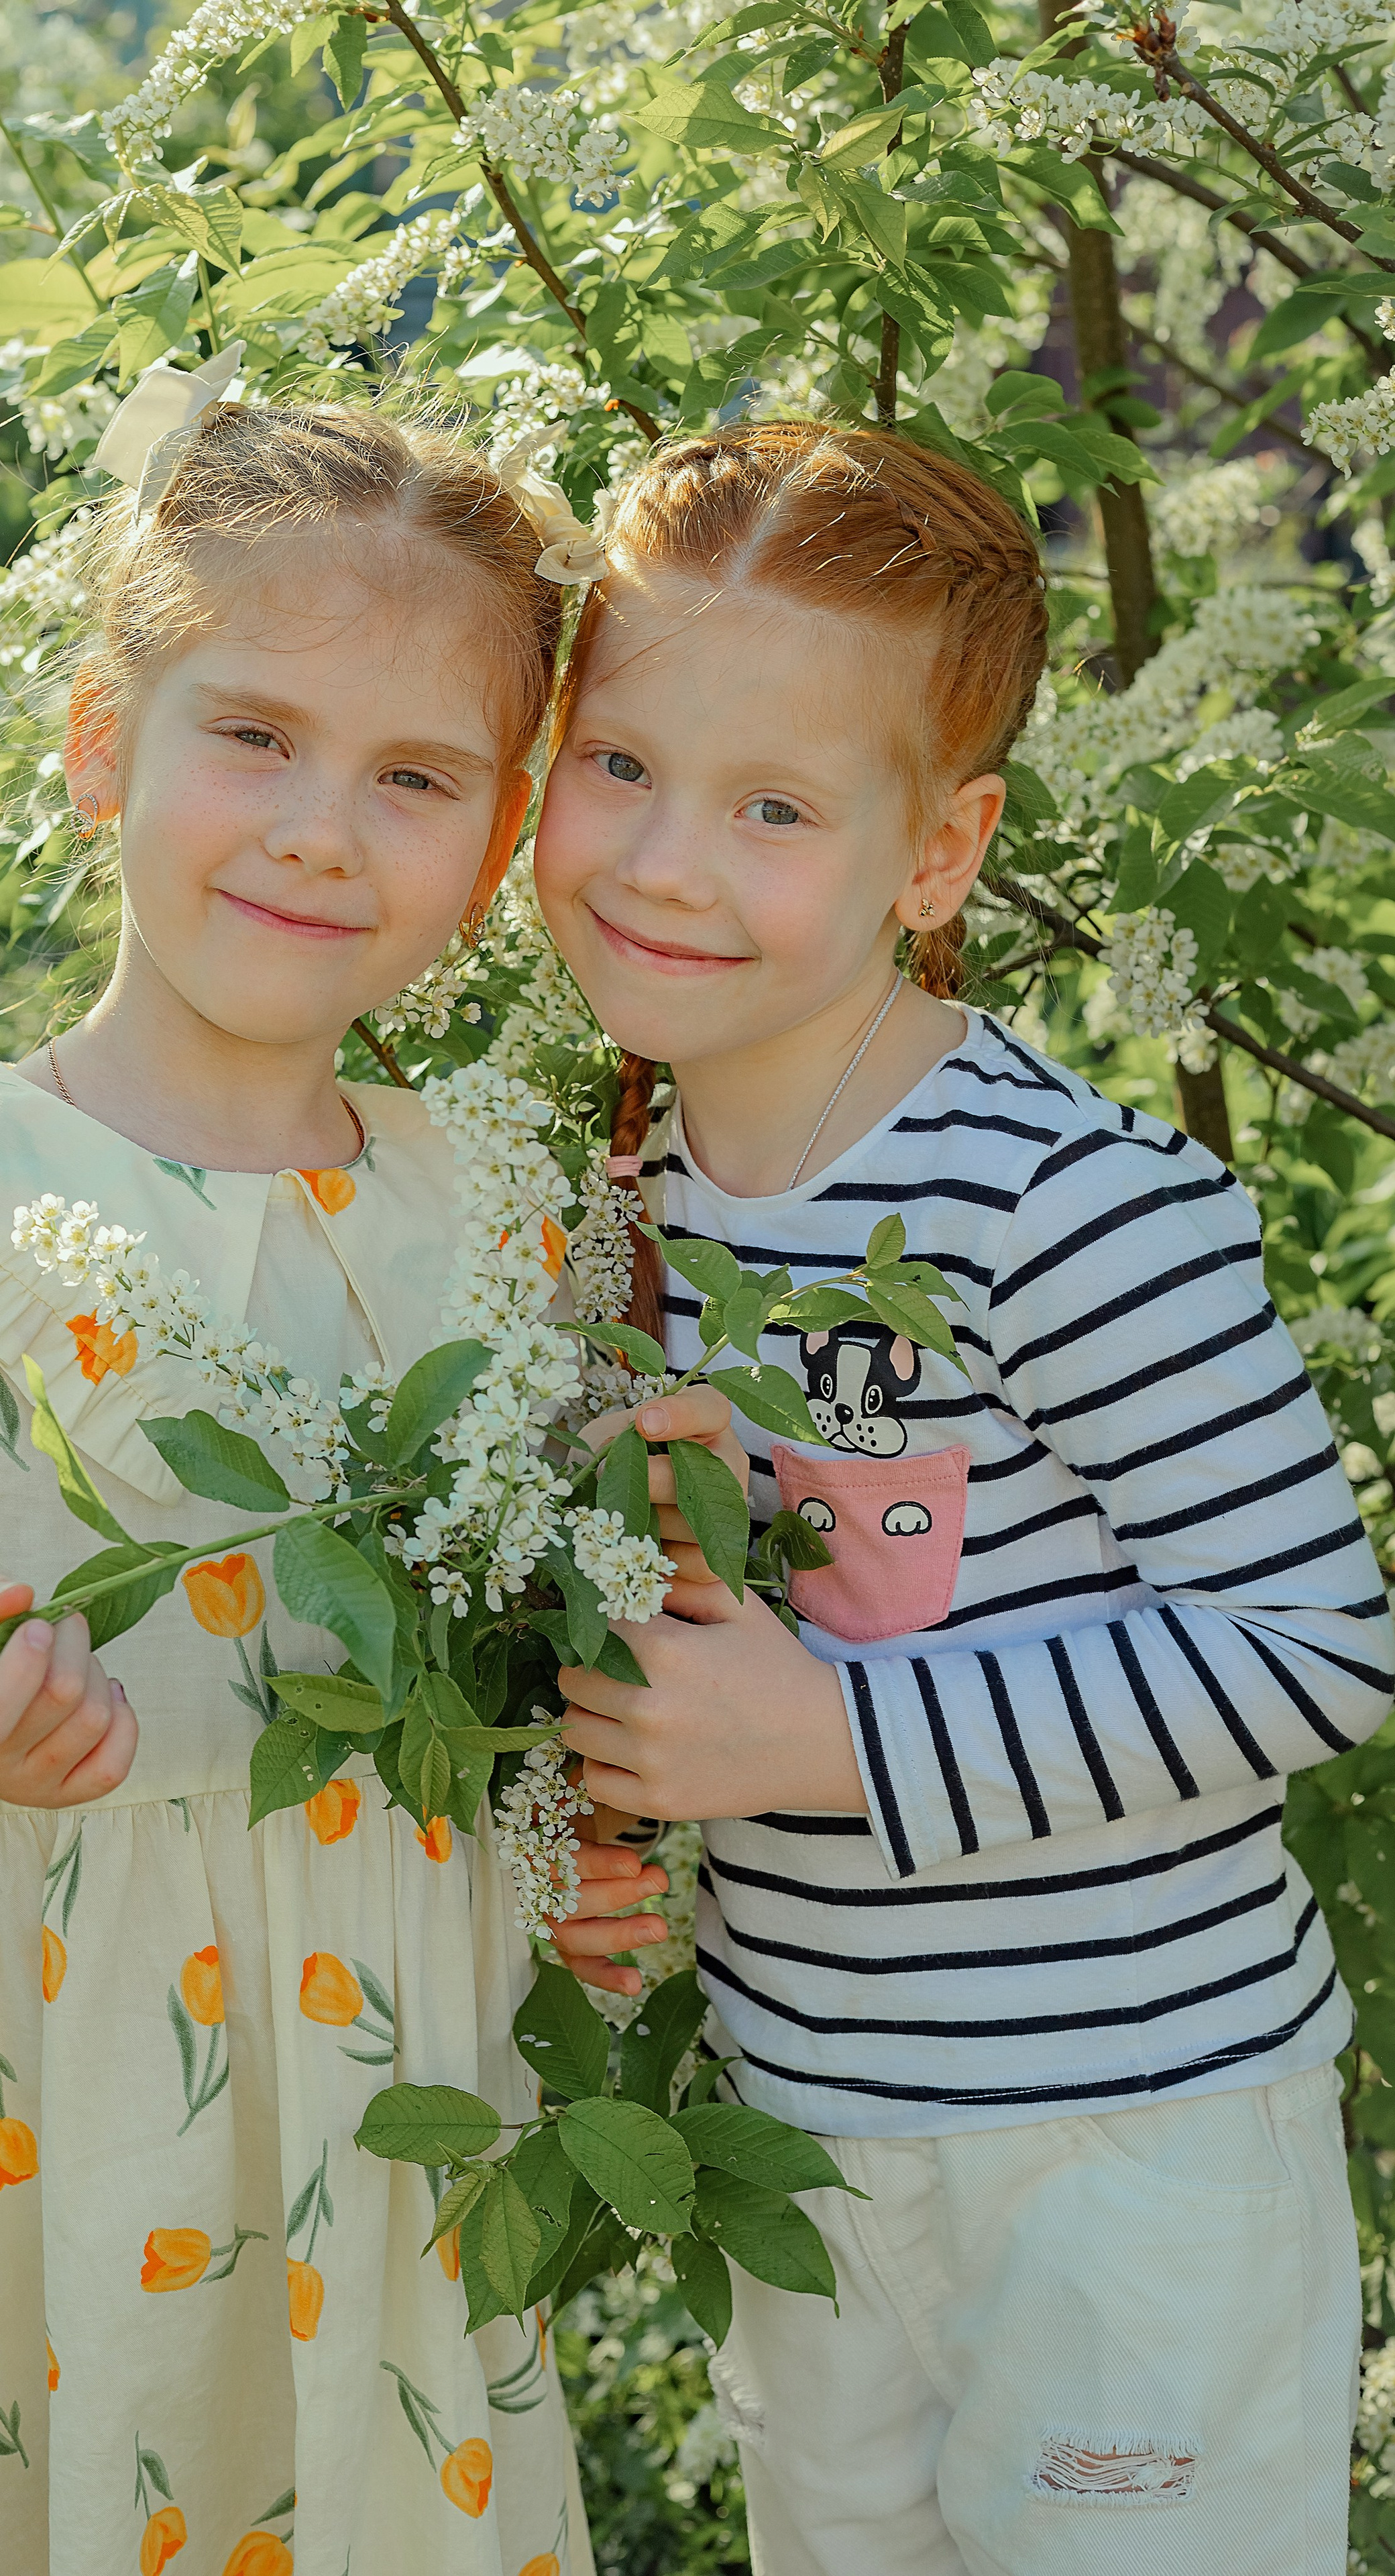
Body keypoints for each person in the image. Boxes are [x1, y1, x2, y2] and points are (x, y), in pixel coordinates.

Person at [0, 394, 671, 2576]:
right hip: (21, 2154)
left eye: (413, 777)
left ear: (499, 842)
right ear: (104, 742)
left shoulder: (504, 1213)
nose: (325, 830)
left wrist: (575, 1852)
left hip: (379, 2176)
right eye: (256, 736)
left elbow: (491, 1703)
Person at [531, 418, 1394, 2576]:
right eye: (618, 764)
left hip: (1124, 2152)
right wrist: (622, 1825)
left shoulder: (1060, 1203)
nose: (663, 862)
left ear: (940, 854)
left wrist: (821, 1743)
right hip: (811, 2134)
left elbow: (1314, 1650)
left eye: (777, 809)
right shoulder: (610, 1196)